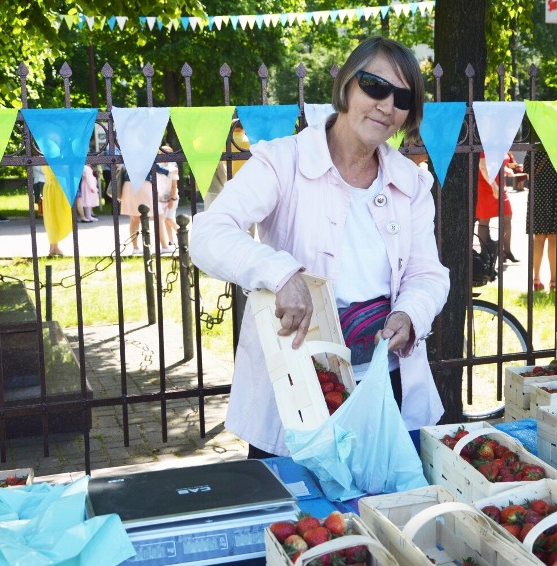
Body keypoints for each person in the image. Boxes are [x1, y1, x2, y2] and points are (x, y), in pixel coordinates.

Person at [189, 36, 450, 459]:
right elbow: (208, 233)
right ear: (348, 84)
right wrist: (281, 273)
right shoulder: (283, 161)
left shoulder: (411, 181)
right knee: (298, 519)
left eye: (402, 97)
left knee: (380, 516)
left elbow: (427, 274)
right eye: (375, 86)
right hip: (297, 387)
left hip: (385, 383)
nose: (387, 105)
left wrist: (409, 313)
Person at [524, 147, 557, 292]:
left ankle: (536, 279)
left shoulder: (533, 150)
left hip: (539, 196)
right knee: (554, 238)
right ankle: (554, 281)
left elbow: (529, 176)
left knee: (538, 238)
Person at [476, 152, 518, 263]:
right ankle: (484, 254)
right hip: (486, 185)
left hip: (500, 185)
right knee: (484, 220)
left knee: (507, 216)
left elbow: (496, 164)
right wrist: (494, 186)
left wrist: (505, 169)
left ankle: (506, 251)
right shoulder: (485, 143)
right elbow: (483, 167)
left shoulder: (501, 142)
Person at [119, 166, 154, 254]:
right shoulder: (124, 153)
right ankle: (136, 247)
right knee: (134, 218)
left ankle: (146, 245)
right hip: (131, 183)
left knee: (144, 217)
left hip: (144, 183)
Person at [41, 166, 72, 257]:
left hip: (49, 187)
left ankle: (53, 246)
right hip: (57, 188)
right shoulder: (55, 158)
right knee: (58, 217)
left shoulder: (43, 157)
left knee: (51, 218)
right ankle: (54, 247)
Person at [155, 145, 180, 251]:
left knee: (168, 218)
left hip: (172, 197)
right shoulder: (157, 166)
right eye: (162, 153)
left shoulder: (173, 168)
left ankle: (182, 233)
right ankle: (171, 241)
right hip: (160, 198)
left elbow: (174, 185)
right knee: (164, 220)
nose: (163, 155)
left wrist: (172, 199)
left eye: (166, 153)